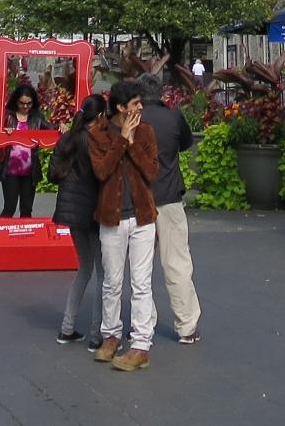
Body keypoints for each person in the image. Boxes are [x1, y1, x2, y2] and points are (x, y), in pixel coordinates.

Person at [88, 79, 159, 372]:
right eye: (135, 104)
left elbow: (152, 171)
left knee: (141, 283)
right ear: (120, 107)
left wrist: (132, 143)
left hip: (142, 217)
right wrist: (121, 141)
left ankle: (141, 344)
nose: (141, 107)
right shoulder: (97, 133)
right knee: (112, 281)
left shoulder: (146, 131)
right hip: (112, 217)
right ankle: (111, 335)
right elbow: (102, 171)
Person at [137, 73, 200, 345]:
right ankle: (186, 326)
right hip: (170, 196)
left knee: (140, 267)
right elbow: (185, 145)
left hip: (138, 199)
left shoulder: (133, 119)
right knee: (177, 263)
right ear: (161, 92)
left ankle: (144, 322)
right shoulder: (173, 118)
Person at [49, 93, 109, 346]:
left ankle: (67, 326)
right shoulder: (92, 140)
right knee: (103, 274)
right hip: (91, 211)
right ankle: (97, 334)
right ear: (102, 115)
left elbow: (53, 173)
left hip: (70, 211)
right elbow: (102, 174)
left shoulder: (69, 137)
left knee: (84, 268)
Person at [0, 82, 45, 217]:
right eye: (22, 103)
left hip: (29, 171)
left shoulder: (37, 118)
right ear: (16, 101)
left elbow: (51, 129)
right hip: (10, 170)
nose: (25, 107)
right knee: (9, 207)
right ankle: (2, 236)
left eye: (29, 103)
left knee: (27, 209)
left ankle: (25, 237)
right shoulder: (8, 116)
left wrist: (61, 126)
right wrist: (4, 130)